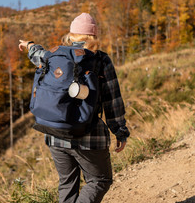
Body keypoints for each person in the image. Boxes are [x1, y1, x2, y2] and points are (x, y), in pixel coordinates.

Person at [18, 13, 130, 203]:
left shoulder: (53, 56)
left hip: (54, 134)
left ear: (71, 35)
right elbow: (113, 100)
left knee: (67, 184)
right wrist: (120, 132)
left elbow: (37, 53)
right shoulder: (101, 60)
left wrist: (29, 45)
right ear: (94, 36)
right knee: (99, 180)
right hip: (88, 136)